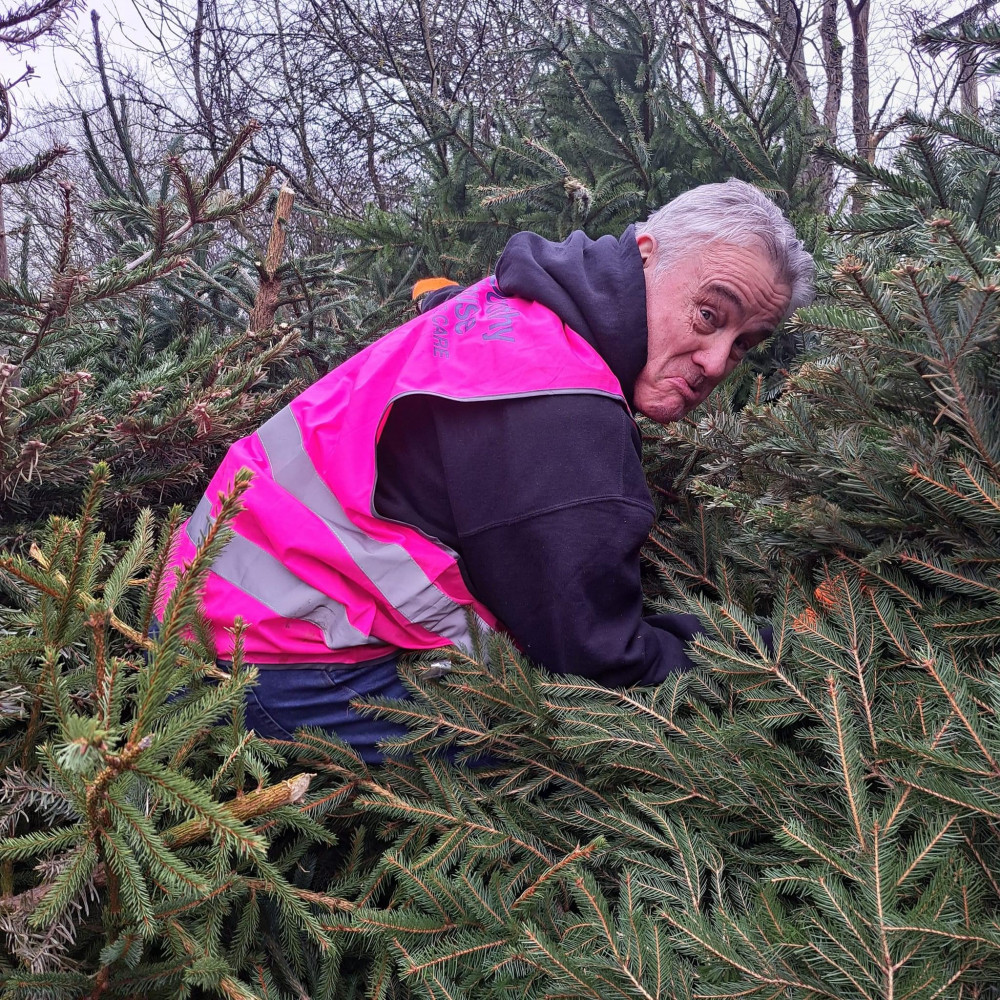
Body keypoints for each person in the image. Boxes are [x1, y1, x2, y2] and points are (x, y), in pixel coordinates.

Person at [157, 178, 815, 762]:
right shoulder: (562, 409)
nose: (718, 361)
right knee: (544, 749)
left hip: (205, 595)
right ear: (645, 251)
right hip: (254, 667)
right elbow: (596, 659)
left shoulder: (524, 307)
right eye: (709, 314)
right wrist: (765, 657)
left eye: (745, 343)